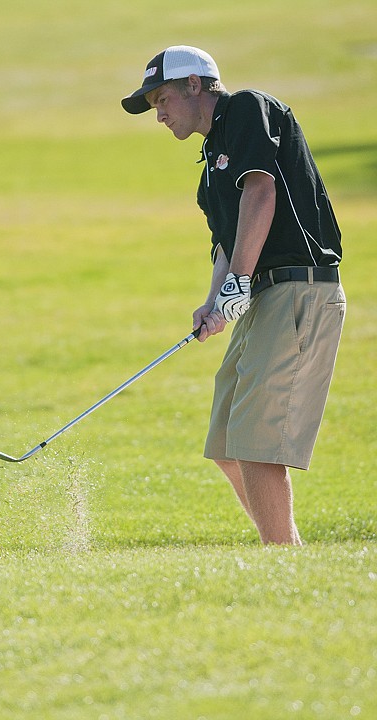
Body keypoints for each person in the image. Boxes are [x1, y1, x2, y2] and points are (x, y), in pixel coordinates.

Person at [121, 45, 345, 545]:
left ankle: (281, 560)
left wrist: (238, 282)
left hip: (298, 288)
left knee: (254, 441)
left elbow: (261, 192)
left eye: (161, 100)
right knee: (226, 440)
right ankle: (286, 550)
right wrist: (215, 299)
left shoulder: (246, 108)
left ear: (195, 86)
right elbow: (227, 242)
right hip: (263, 297)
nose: (158, 115)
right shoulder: (208, 169)